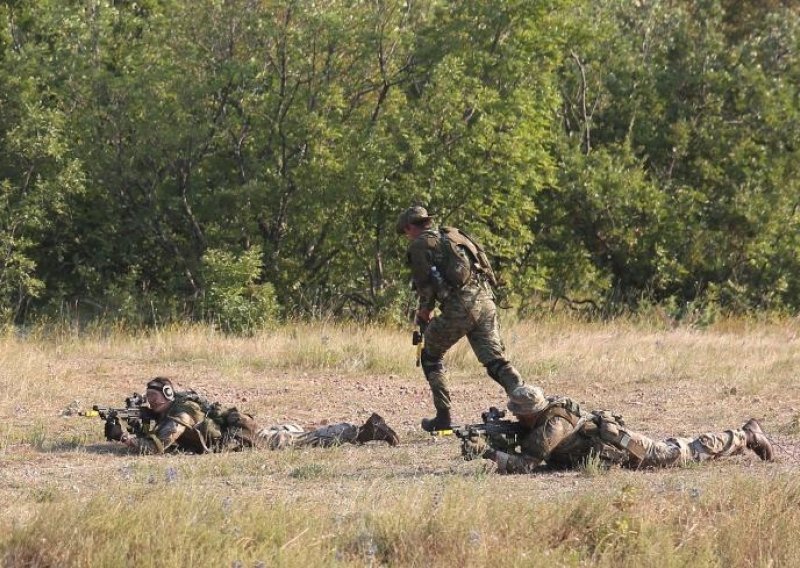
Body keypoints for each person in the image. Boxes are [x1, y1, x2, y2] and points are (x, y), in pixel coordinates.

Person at [396, 205, 523, 431]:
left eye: (405, 232)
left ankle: (443, 418)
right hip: (485, 301)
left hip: (460, 307)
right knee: (495, 362)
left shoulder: (420, 245)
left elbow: (425, 286)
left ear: (409, 227)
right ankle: (529, 404)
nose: (407, 237)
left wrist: (424, 312)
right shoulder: (452, 236)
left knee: (430, 357)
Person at [462, 385, 775, 473]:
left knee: (677, 453)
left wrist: (488, 452)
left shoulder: (553, 425)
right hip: (604, 451)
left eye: (519, 415)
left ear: (531, 413)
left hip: (620, 448)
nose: (515, 419)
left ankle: (746, 435)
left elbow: (527, 464)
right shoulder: (541, 417)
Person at [107, 377, 399, 454]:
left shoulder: (181, 411)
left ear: (169, 396)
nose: (150, 402)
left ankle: (364, 431)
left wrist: (124, 438)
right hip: (238, 432)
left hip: (243, 439)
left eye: (154, 398)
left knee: (301, 441)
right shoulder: (172, 408)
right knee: (290, 432)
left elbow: (157, 447)